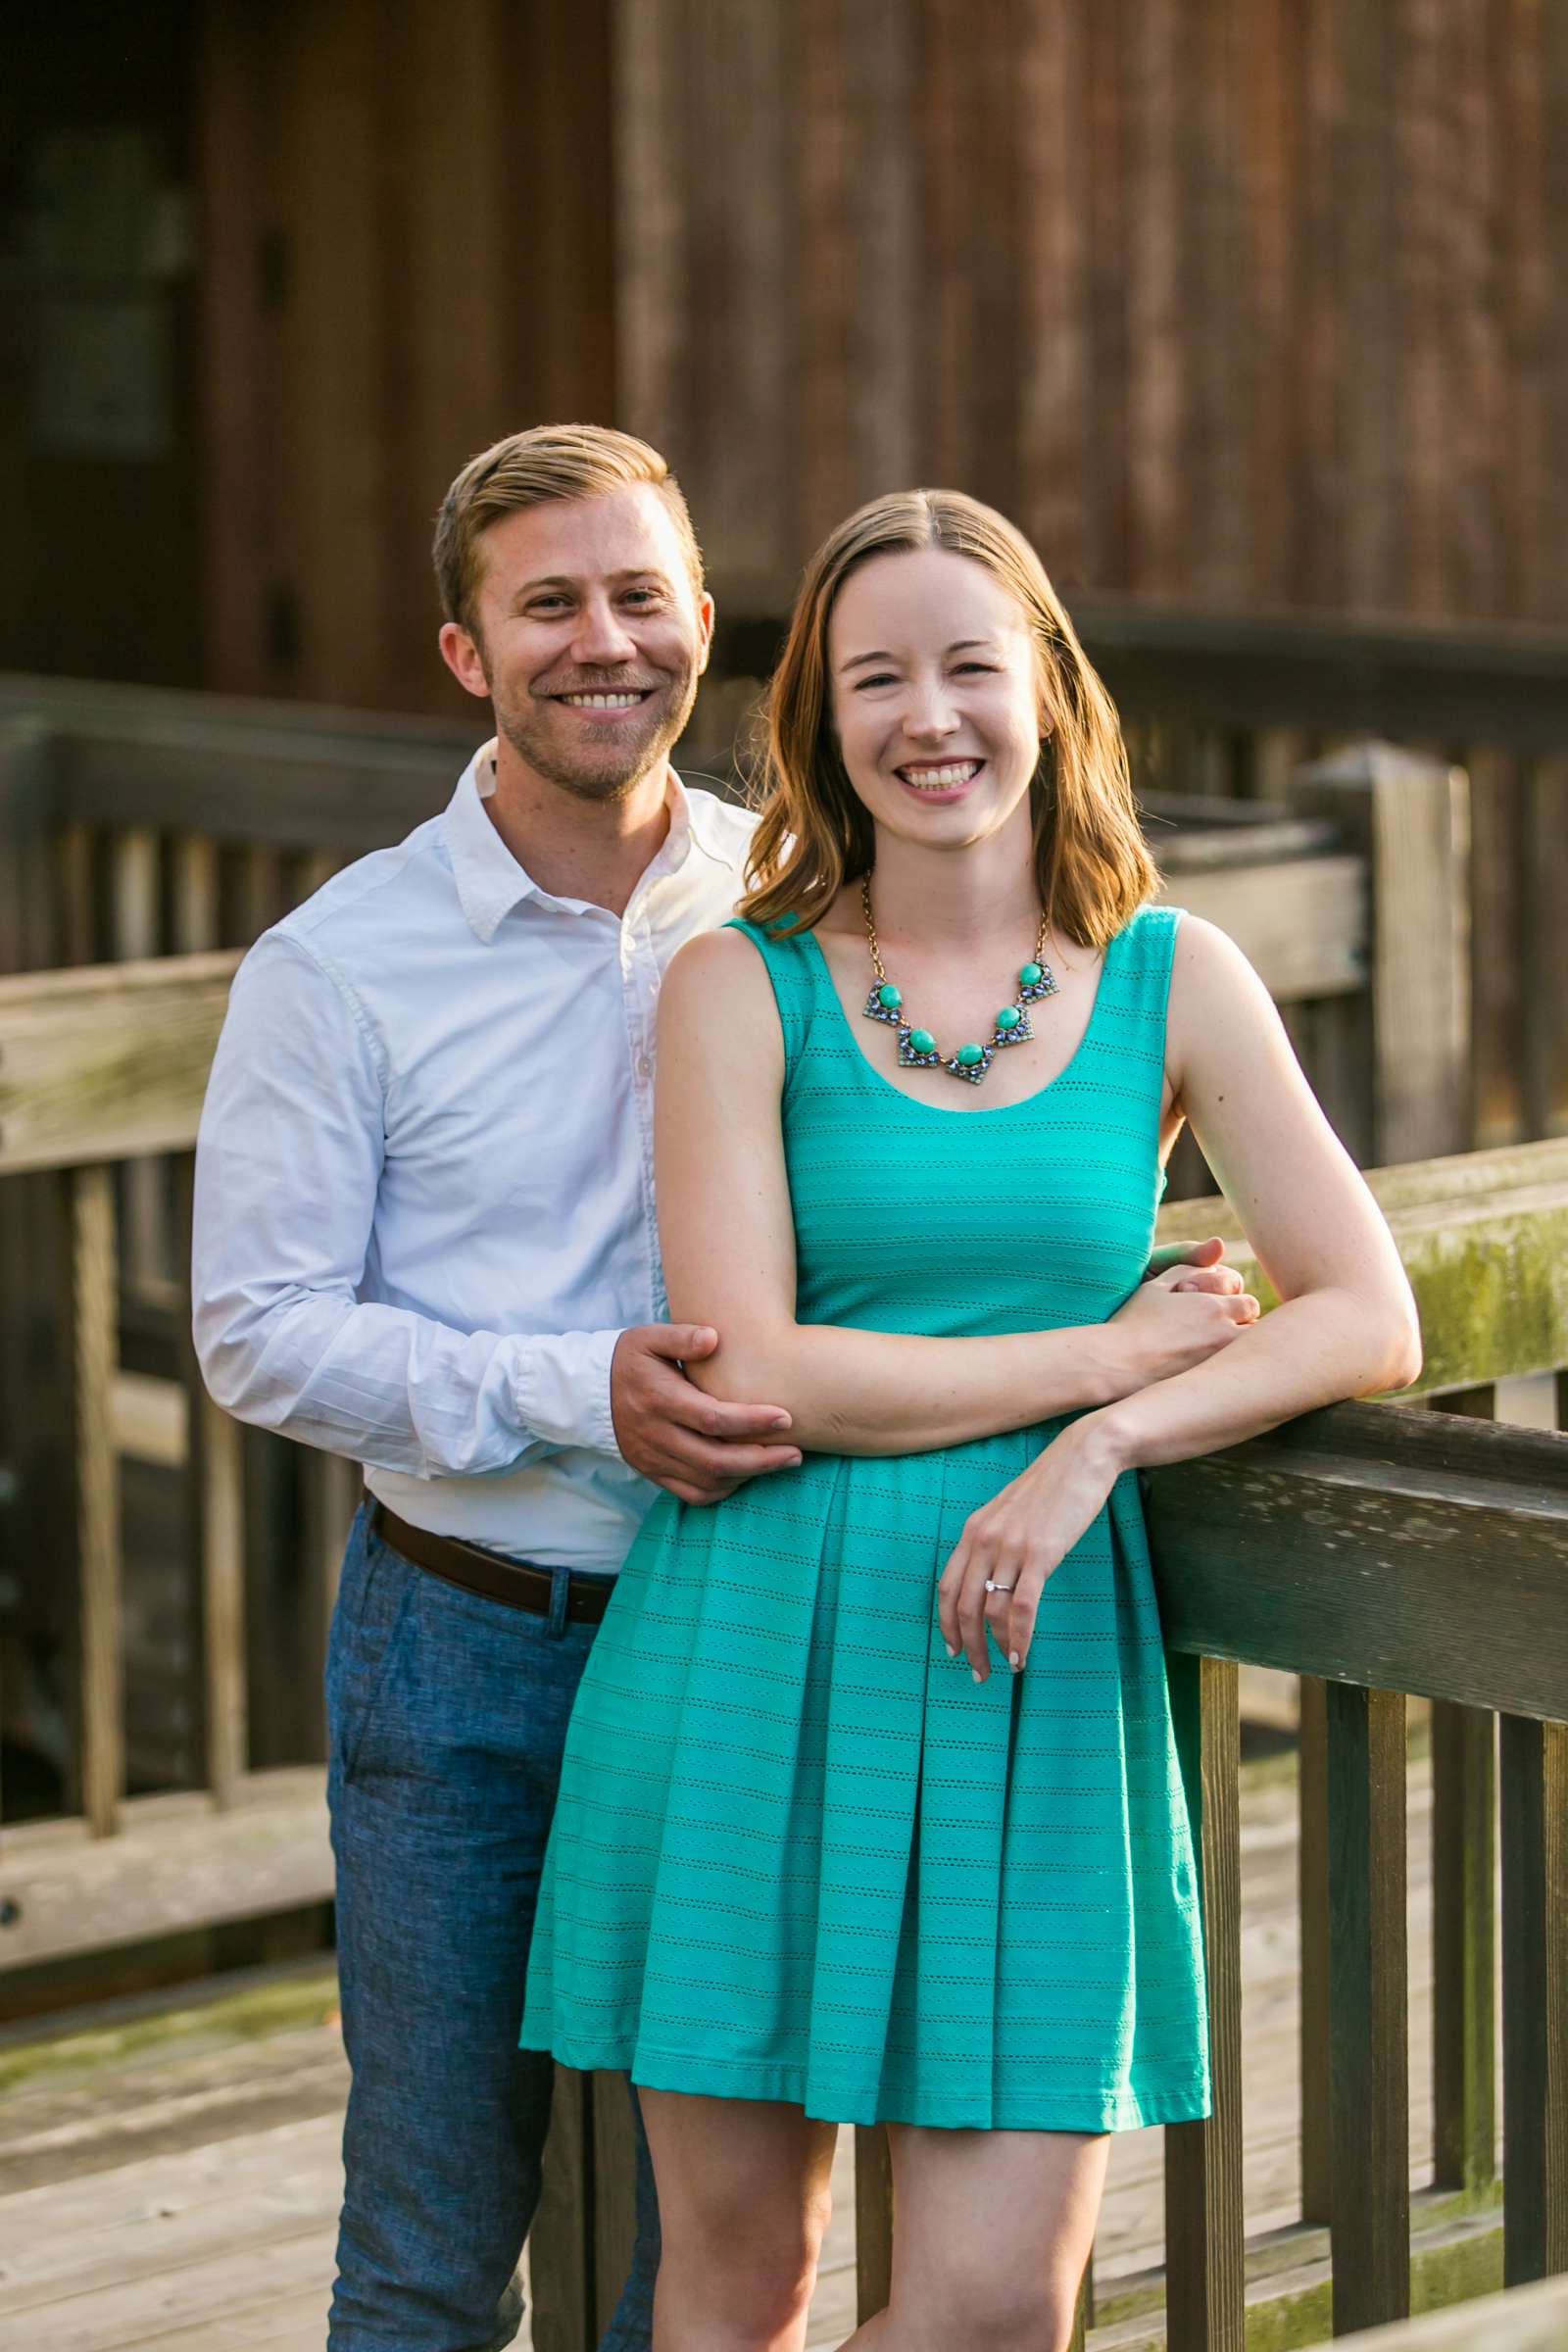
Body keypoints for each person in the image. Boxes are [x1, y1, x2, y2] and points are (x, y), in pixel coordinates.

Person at [519, 487, 1423, 2352]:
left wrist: (1103, 1454)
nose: (930, 717)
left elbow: (1366, 1313)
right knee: (744, 2284)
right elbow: (755, 1366)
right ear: (824, 729)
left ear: (1047, 692)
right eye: (876, 679)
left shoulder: (1176, 978)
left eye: (968, 666)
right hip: (753, 1653)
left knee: (1001, 2310)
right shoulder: (738, 985)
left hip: (1033, 1667)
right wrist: (1096, 1364)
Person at [191, 424, 798, 2352]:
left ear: (701, 627)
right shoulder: (337, 965)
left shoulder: (789, 903)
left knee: (706, 2265)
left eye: (638, 598)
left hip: (742, 1641)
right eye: (546, 605)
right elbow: (258, 1325)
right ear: (468, 655)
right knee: (437, 2244)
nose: (598, 642)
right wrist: (567, 1391)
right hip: (462, 1658)